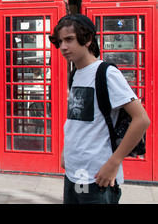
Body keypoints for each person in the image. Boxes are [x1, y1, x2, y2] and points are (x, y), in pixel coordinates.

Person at [49, 14, 150, 204]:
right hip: (75, 171)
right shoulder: (76, 74)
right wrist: (66, 149)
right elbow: (77, 119)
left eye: (69, 39)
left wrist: (114, 162)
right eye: (60, 41)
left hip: (97, 176)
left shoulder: (106, 73)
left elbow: (142, 119)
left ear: (87, 39)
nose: (63, 47)